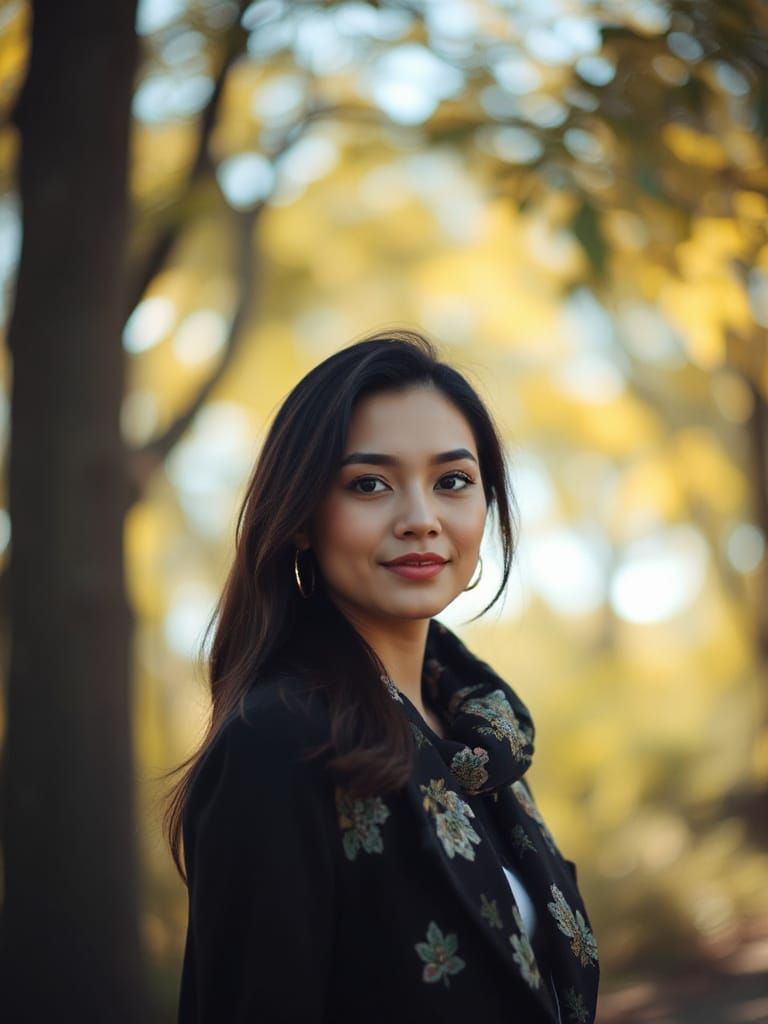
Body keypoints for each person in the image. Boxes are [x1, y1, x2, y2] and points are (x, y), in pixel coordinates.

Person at [166, 328, 600, 1023]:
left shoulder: (480, 737)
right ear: (304, 517)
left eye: (451, 481)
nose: (421, 519)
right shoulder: (277, 741)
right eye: (370, 484)